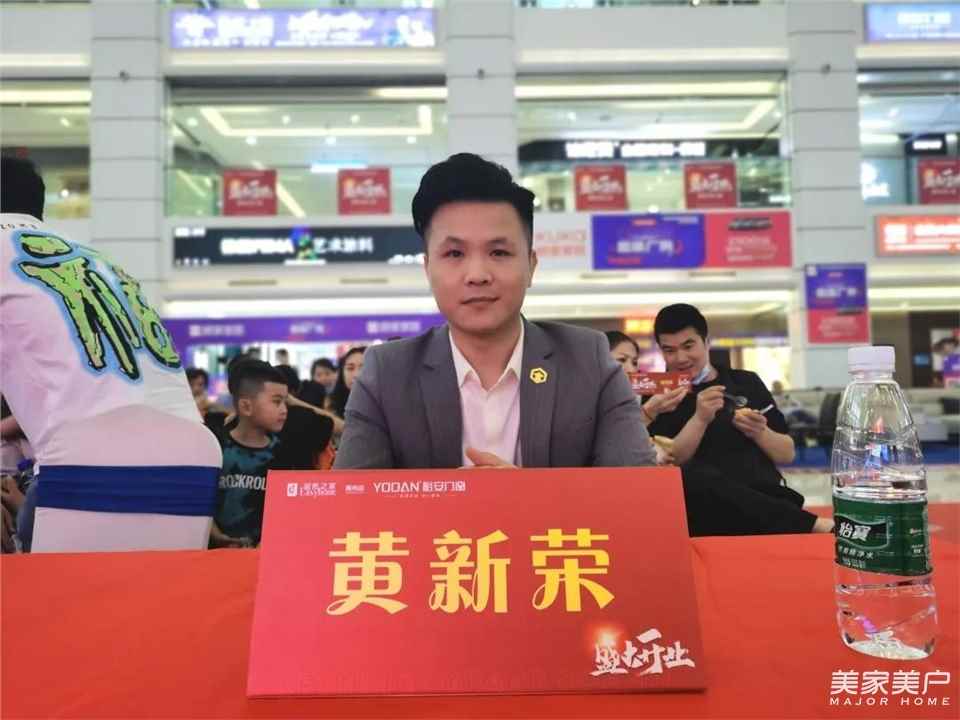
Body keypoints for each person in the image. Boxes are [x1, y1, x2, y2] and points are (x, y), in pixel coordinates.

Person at [334, 153, 655, 469]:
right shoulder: (387, 373)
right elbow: (351, 498)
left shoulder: (588, 361)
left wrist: (522, 495)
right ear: (428, 268)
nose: (477, 274)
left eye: (499, 252)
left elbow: (638, 492)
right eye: (454, 253)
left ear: (531, 266)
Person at [0, 156, 222, 552]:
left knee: (58, 592)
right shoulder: (100, 261)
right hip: (193, 462)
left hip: (84, 460)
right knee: (155, 591)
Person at [644, 303, 832, 534]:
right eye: (669, 350)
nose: (681, 358)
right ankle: (809, 524)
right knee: (698, 475)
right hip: (702, 511)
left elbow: (787, 454)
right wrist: (700, 419)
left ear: (706, 341)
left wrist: (760, 432)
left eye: (688, 346)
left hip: (765, 495)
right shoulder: (658, 398)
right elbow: (671, 463)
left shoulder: (746, 383)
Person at [210, 361, 289, 548]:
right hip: (216, 556)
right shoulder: (215, 448)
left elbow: (286, 511)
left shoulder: (283, 454)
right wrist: (214, 533)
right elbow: (198, 500)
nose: (284, 410)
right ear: (246, 406)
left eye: (285, 402)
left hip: (265, 556)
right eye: (276, 401)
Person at [326, 347, 366, 420]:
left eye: (363, 368)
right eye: (350, 368)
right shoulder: (331, 404)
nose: (356, 374)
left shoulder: (385, 403)